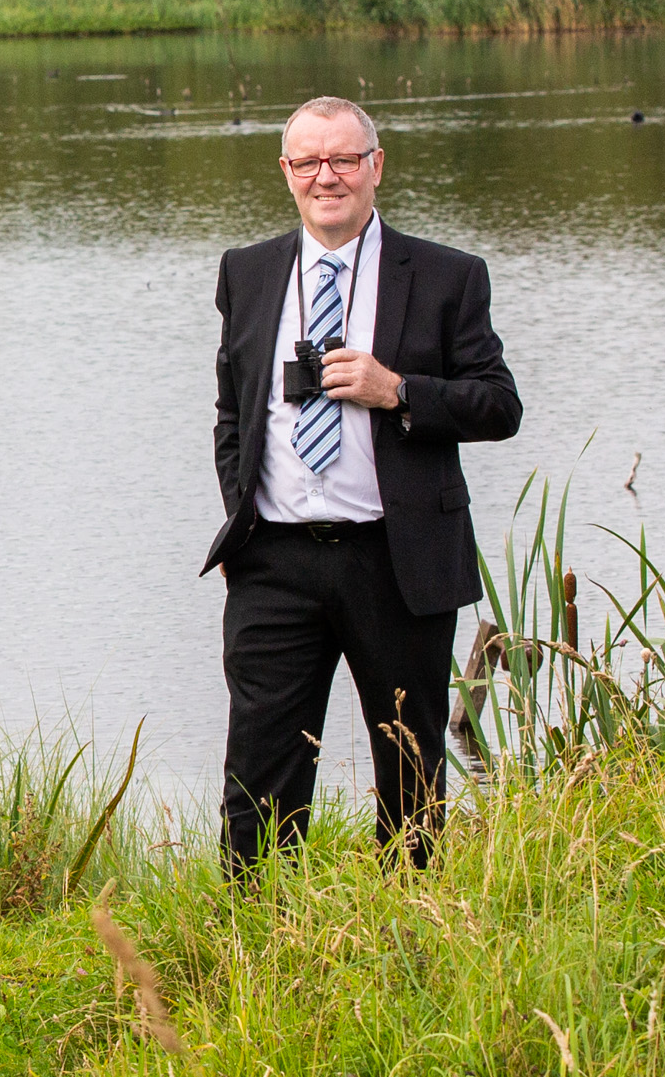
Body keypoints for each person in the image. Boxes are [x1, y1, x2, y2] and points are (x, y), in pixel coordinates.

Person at [203, 96, 523, 870]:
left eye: (343, 159)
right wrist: (245, 513)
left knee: (410, 776)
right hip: (273, 564)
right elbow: (232, 412)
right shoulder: (246, 273)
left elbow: (499, 405)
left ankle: (408, 936)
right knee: (260, 775)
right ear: (286, 173)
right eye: (308, 162)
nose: (326, 177)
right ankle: (253, 942)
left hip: (396, 561)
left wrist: (399, 390)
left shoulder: (447, 276)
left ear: (376, 167)